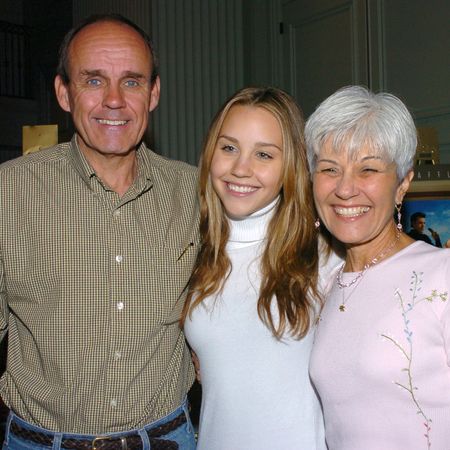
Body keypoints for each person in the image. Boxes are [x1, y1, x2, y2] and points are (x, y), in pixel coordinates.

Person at [0, 14, 199, 449]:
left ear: (154, 93)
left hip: (168, 438)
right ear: (64, 93)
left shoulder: (195, 193)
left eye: (131, 82)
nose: (114, 100)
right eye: (93, 81)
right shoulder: (7, 193)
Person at [182, 86, 338, 450]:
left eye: (264, 154)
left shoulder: (326, 256)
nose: (240, 168)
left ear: (292, 165)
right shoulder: (193, 248)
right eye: (229, 147)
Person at [306, 86, 450, 449]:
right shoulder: (327, 283)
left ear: (403, 184)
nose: (345, 189)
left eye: (368, 168)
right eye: (329, 169)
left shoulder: (441, 278)